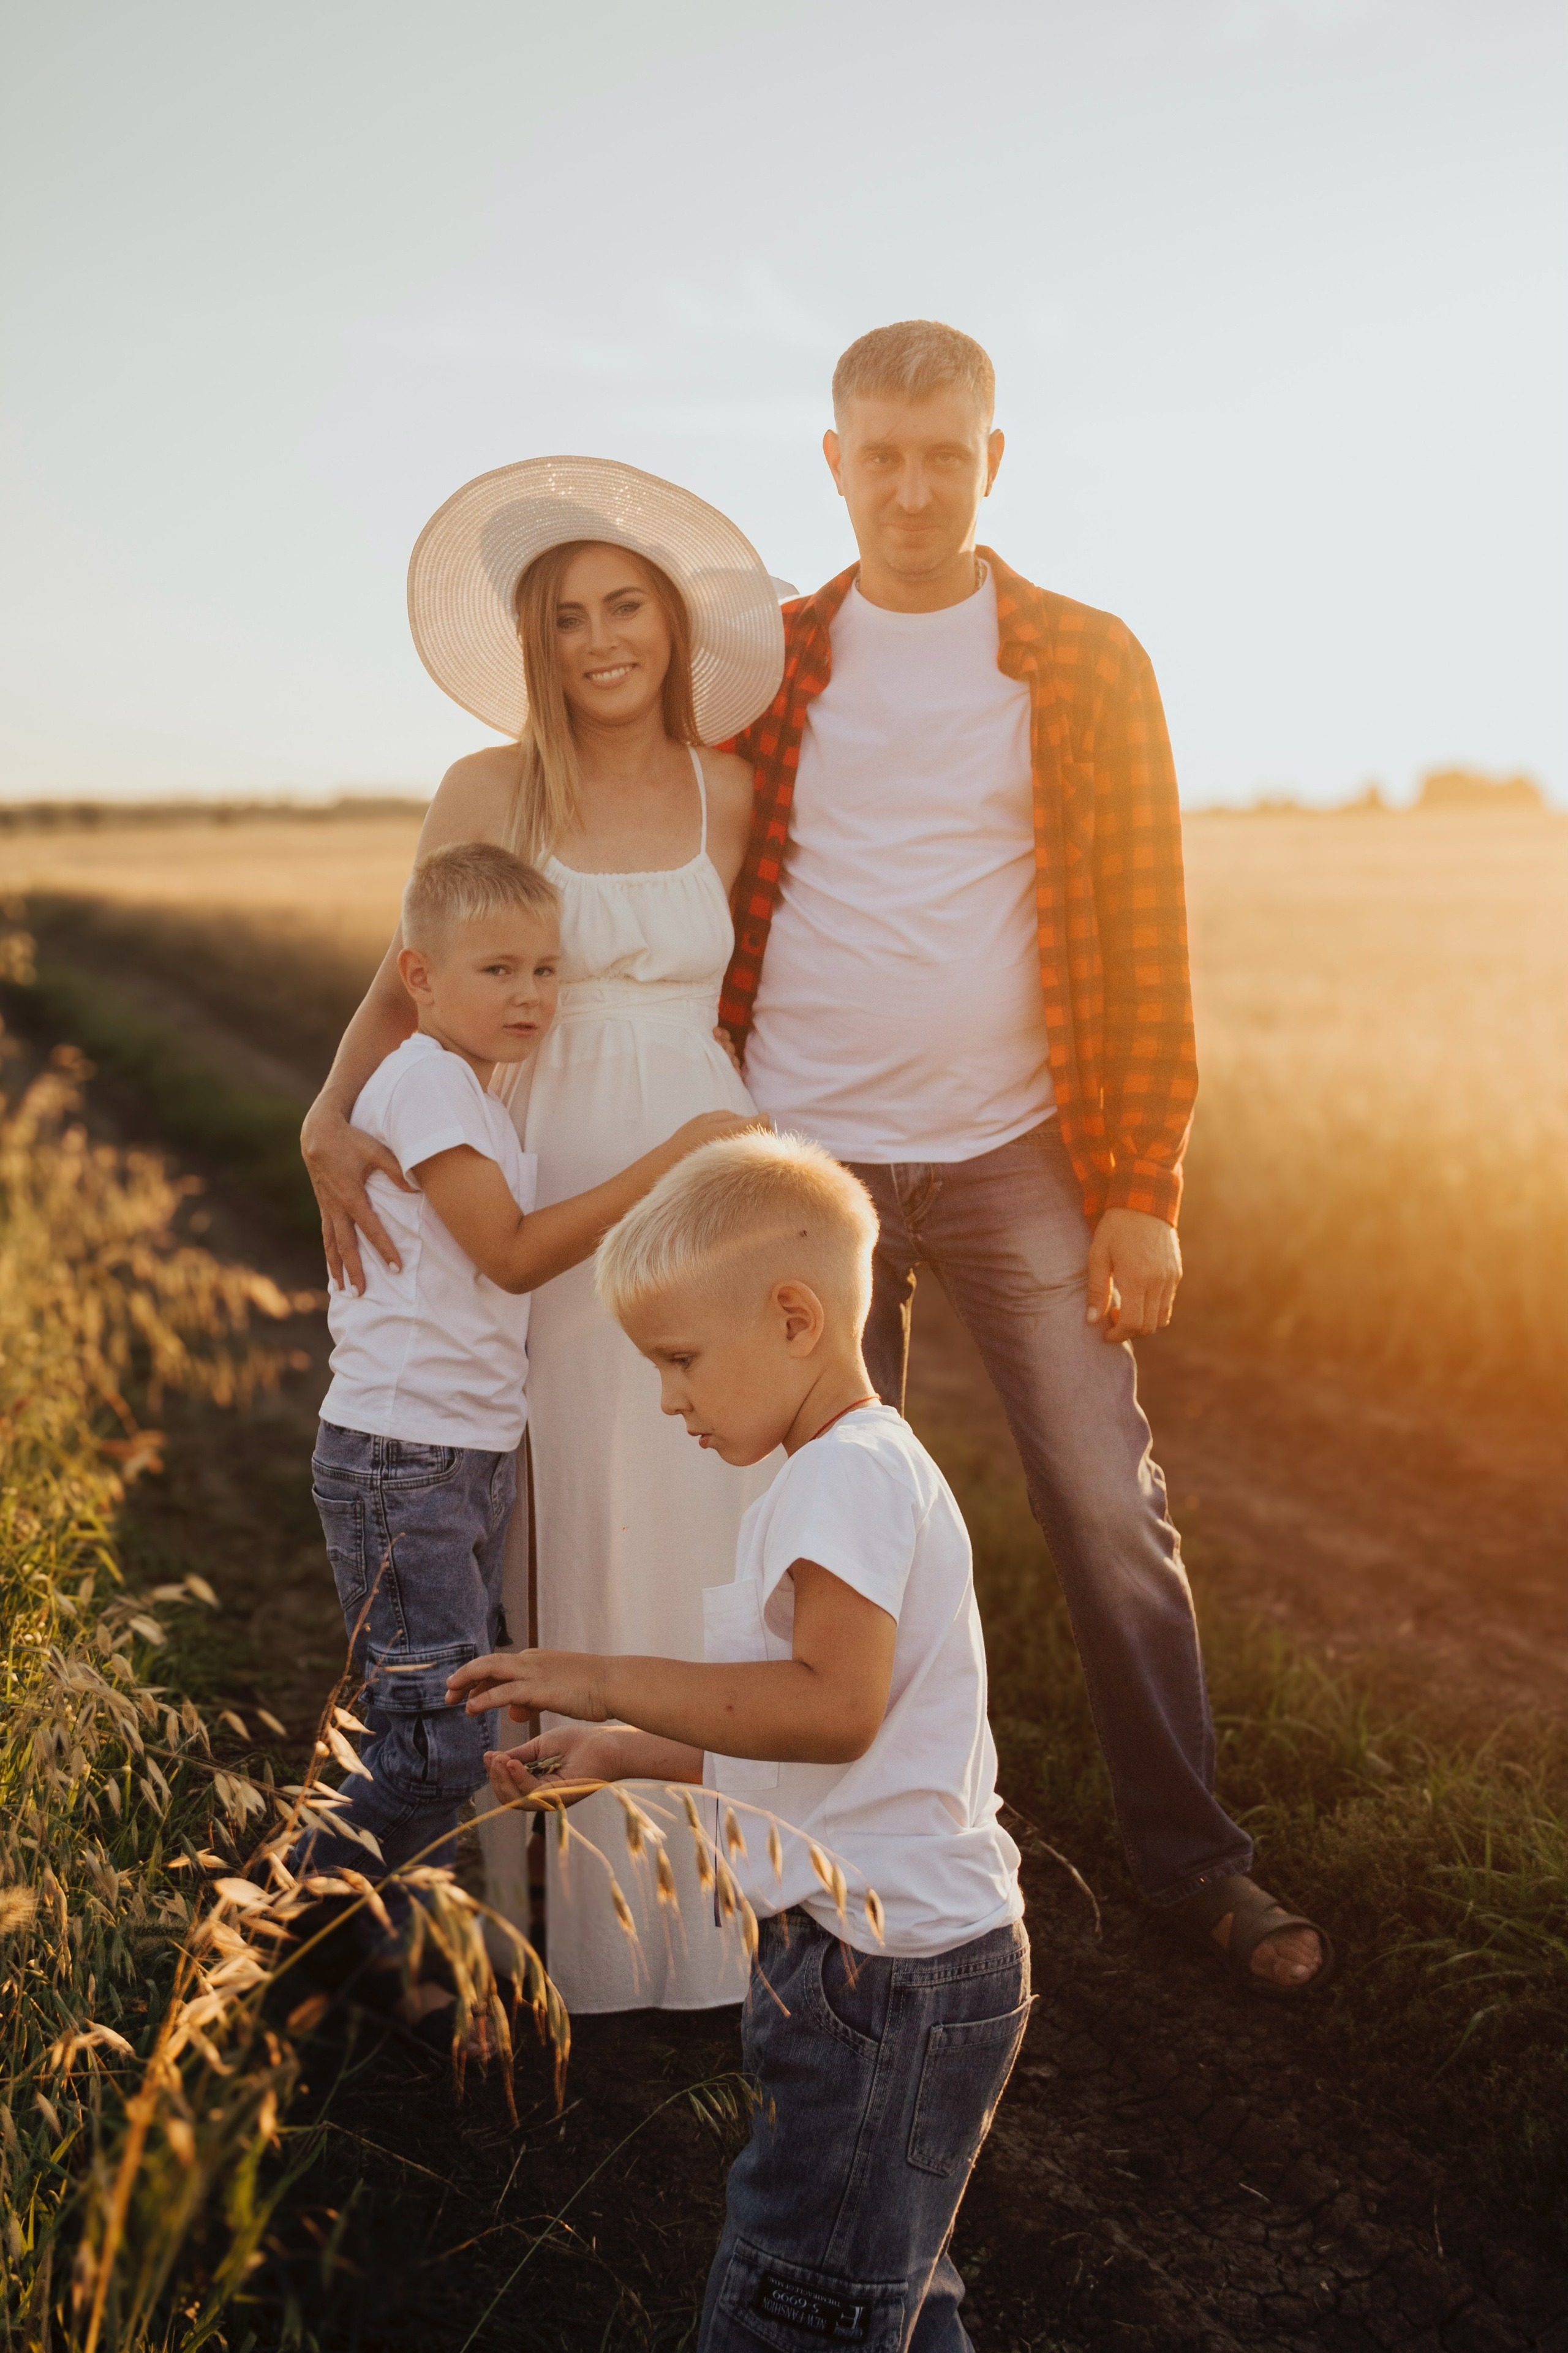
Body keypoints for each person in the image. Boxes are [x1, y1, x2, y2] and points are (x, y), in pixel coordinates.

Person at [722, 320, 1333, 1996]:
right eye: (881, 455)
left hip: (1011, 1154)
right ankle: (825, 1881)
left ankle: (1194, 1866)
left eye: (945, 453)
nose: (912, 486)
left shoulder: (1082, 659)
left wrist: (1141, 1179)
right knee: (825, 1531)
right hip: (804, 1159)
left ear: (994, 461)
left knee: (1105, 1509)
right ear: (835, 465)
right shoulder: (762, 662)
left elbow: (1146, 932)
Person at [299, 459, 789, 2010]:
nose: (598, 640)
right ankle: (551, 1926)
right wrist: (326, 1110)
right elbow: (409, 982)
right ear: (535, 639)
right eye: (567, 615)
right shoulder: (484, 791)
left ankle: (720, 1908)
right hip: (549, 1160)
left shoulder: (732, 787)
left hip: (702, 1154)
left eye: (623, 605)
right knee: (556, 1512)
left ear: (672, 621)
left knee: (705, 1502)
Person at [450, 1129, 1030, 2351]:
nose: (668, 1397)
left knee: (790, 2305)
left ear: (792, 1317)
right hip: (911, 1958)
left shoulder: (842, 1479)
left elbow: (830, 1707)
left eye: (679, 1359)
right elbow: (825, 1749)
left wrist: (600, 1668)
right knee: (887, 2291)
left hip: (879, 1974)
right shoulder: (862, 1467)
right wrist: (620, 1748)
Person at [303, 839, 751, 1883]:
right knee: (433, 1744)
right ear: (418, 976)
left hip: (457, 1453)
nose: (530, 996)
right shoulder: (427, 1088)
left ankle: (387, 1967)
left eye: (547, 971)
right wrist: (671, 1161)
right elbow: (508, 1255)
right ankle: (273, 1947)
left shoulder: (471, 1094)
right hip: (403, 1457)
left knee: (440, 1721)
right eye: (497, 970)